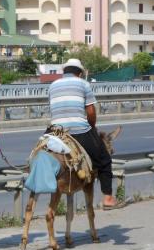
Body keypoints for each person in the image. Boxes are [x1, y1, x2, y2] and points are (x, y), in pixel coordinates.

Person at [48, 58, 117, 207]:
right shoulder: (83, 84)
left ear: (64, 72)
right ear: (79, 73)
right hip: (78, 131)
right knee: (104, 159)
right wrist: (92, 127)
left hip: (55, 132)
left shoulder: (52, 85)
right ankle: (108, 198)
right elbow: (91, 112)